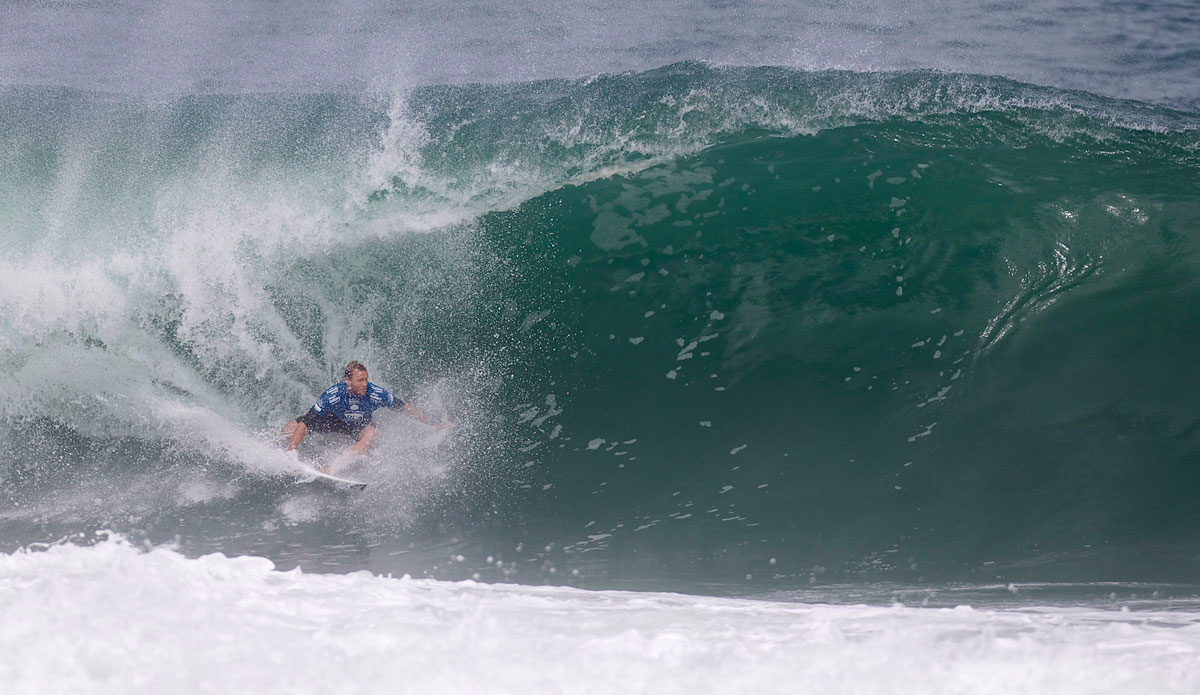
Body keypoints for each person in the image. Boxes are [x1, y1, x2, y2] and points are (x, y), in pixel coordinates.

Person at [282, 361, 447, 469]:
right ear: (348, 381)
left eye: (366, 379)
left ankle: (331, 468)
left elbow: (404, 408)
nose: (365, 384)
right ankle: (285, 453)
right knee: (289, 429)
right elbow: (306, 422)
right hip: (332, 420)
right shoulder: (333, 394)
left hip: (359, 425)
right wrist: (291, 452)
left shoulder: (375, 393)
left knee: (371, 434)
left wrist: (432, 424)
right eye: (360, 380)